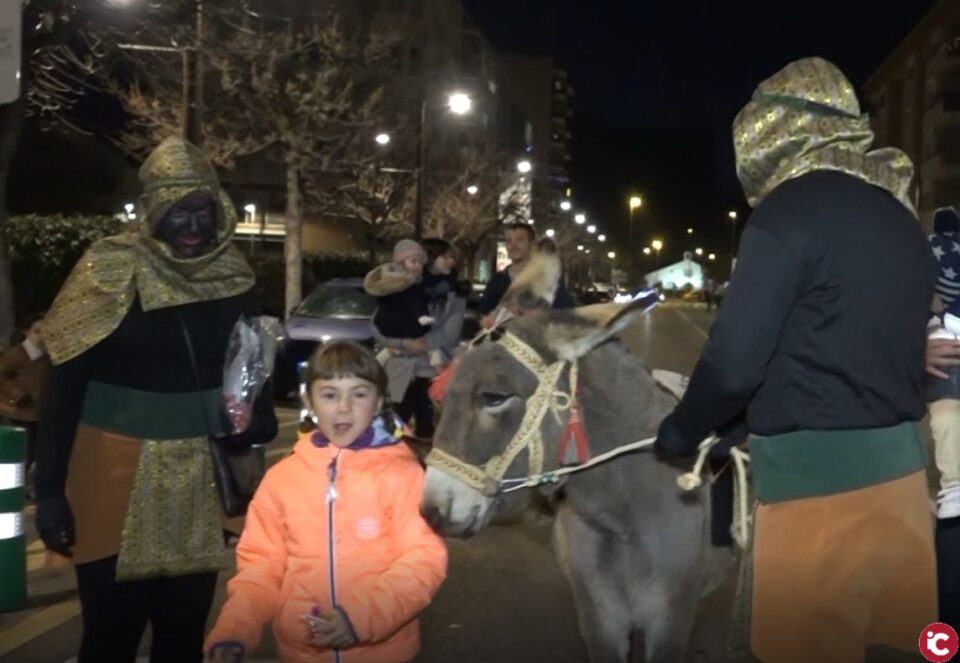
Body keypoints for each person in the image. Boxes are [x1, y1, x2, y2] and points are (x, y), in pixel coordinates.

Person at [655, 58, 937, 662]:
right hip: (907, 489)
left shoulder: (786, 213)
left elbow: (735, 363)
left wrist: (682, 430)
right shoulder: (901, 216)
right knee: (900, 649)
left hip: (816, 497)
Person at [34, 136, 278, 663]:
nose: (192, 227)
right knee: (109, 635)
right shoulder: (108, 268)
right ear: (150, 213)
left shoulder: (233, 276)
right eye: (176, 212)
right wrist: (49, 488)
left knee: (183, 632)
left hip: (197, 477)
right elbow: (65, 385)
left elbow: (246, 368)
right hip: (110, 475)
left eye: (201, 211)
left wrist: (254, 417)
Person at [205, 340, 447, 663]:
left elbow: (423, 560)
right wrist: (234, 630)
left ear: (377, 403)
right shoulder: (282, 479)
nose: (343, 408)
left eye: (359, 394)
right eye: (330, 395)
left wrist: (362, 617)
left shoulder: (404, 474)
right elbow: (262, 565)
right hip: (300, 653)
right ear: (310, 401)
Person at [373, 238, 467, 439]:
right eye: (446, 256)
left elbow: (450, 334)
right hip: (400, 371)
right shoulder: (403, 287)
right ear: (432, 258)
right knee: (395, 432)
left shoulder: (455, 294)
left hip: (432, 372)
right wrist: (405, 344)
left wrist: (420, 344)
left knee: (430, 431)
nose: (451, 262)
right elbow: (376, 325)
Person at [478, 223, 575, 316]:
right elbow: (484, 316)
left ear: (532, 244)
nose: (513, 245)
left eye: (519, 240)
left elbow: (565, 314)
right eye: (509, 240)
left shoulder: (547, 280)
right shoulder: (497, 282)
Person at [364, 239, 433, 343]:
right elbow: (414, 304)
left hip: (393, 331)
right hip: (404, 330)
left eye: (420, 263)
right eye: (413, 261)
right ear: (400, 262)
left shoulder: (414, 284)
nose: (418, 266)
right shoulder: (407, 285)